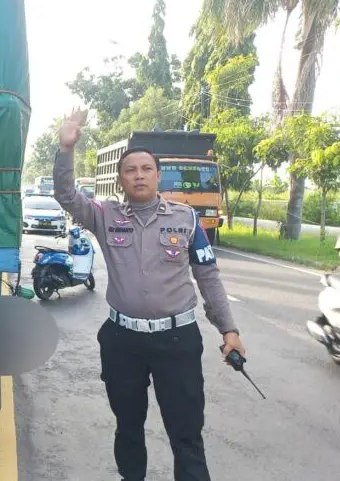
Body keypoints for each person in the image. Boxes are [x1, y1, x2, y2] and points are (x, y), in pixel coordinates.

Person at [52, 108, 245, 481]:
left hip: (177, 340)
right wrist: (66, 148)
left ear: (158, 176)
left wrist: (229, 330)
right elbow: (65, 194)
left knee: (186, 432)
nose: (138, 175)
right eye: (130, 170)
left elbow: (208, 276)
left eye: (145, 169)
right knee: (128, 426)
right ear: (121, 179)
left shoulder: (186, 219)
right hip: (123, 341)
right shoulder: (104, 215)